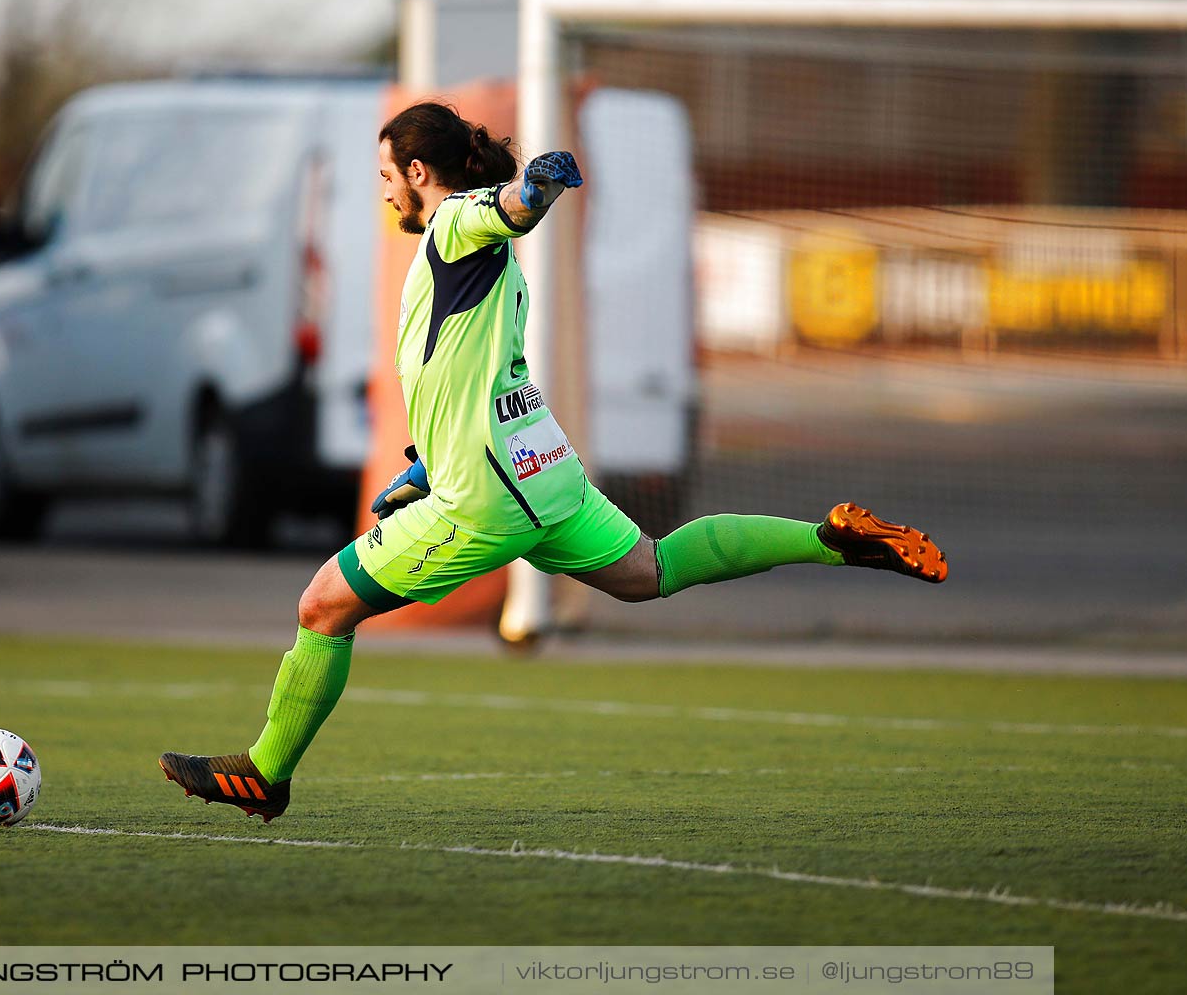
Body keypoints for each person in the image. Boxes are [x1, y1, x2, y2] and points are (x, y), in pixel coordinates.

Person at [158, 101, 947, 822]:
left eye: (387, 176)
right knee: (652, 569)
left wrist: (534, 190)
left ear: (419, 173)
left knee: (323, 608)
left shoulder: (454, 225)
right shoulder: (478, 262)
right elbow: (469, 371)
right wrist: (427, 465)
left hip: (489, 498)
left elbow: (504, 211)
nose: (386, 192)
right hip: (540, 468)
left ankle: (266, 771)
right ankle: (830, 537)